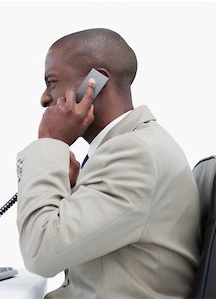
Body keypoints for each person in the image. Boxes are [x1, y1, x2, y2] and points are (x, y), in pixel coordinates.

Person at [16, 28, 202, 299]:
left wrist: (49, 143)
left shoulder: (135, 154)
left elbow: (41, 253)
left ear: (96, 82)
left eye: (52, 82)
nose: (45, 98)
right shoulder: (127, 147)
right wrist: (70, 191)